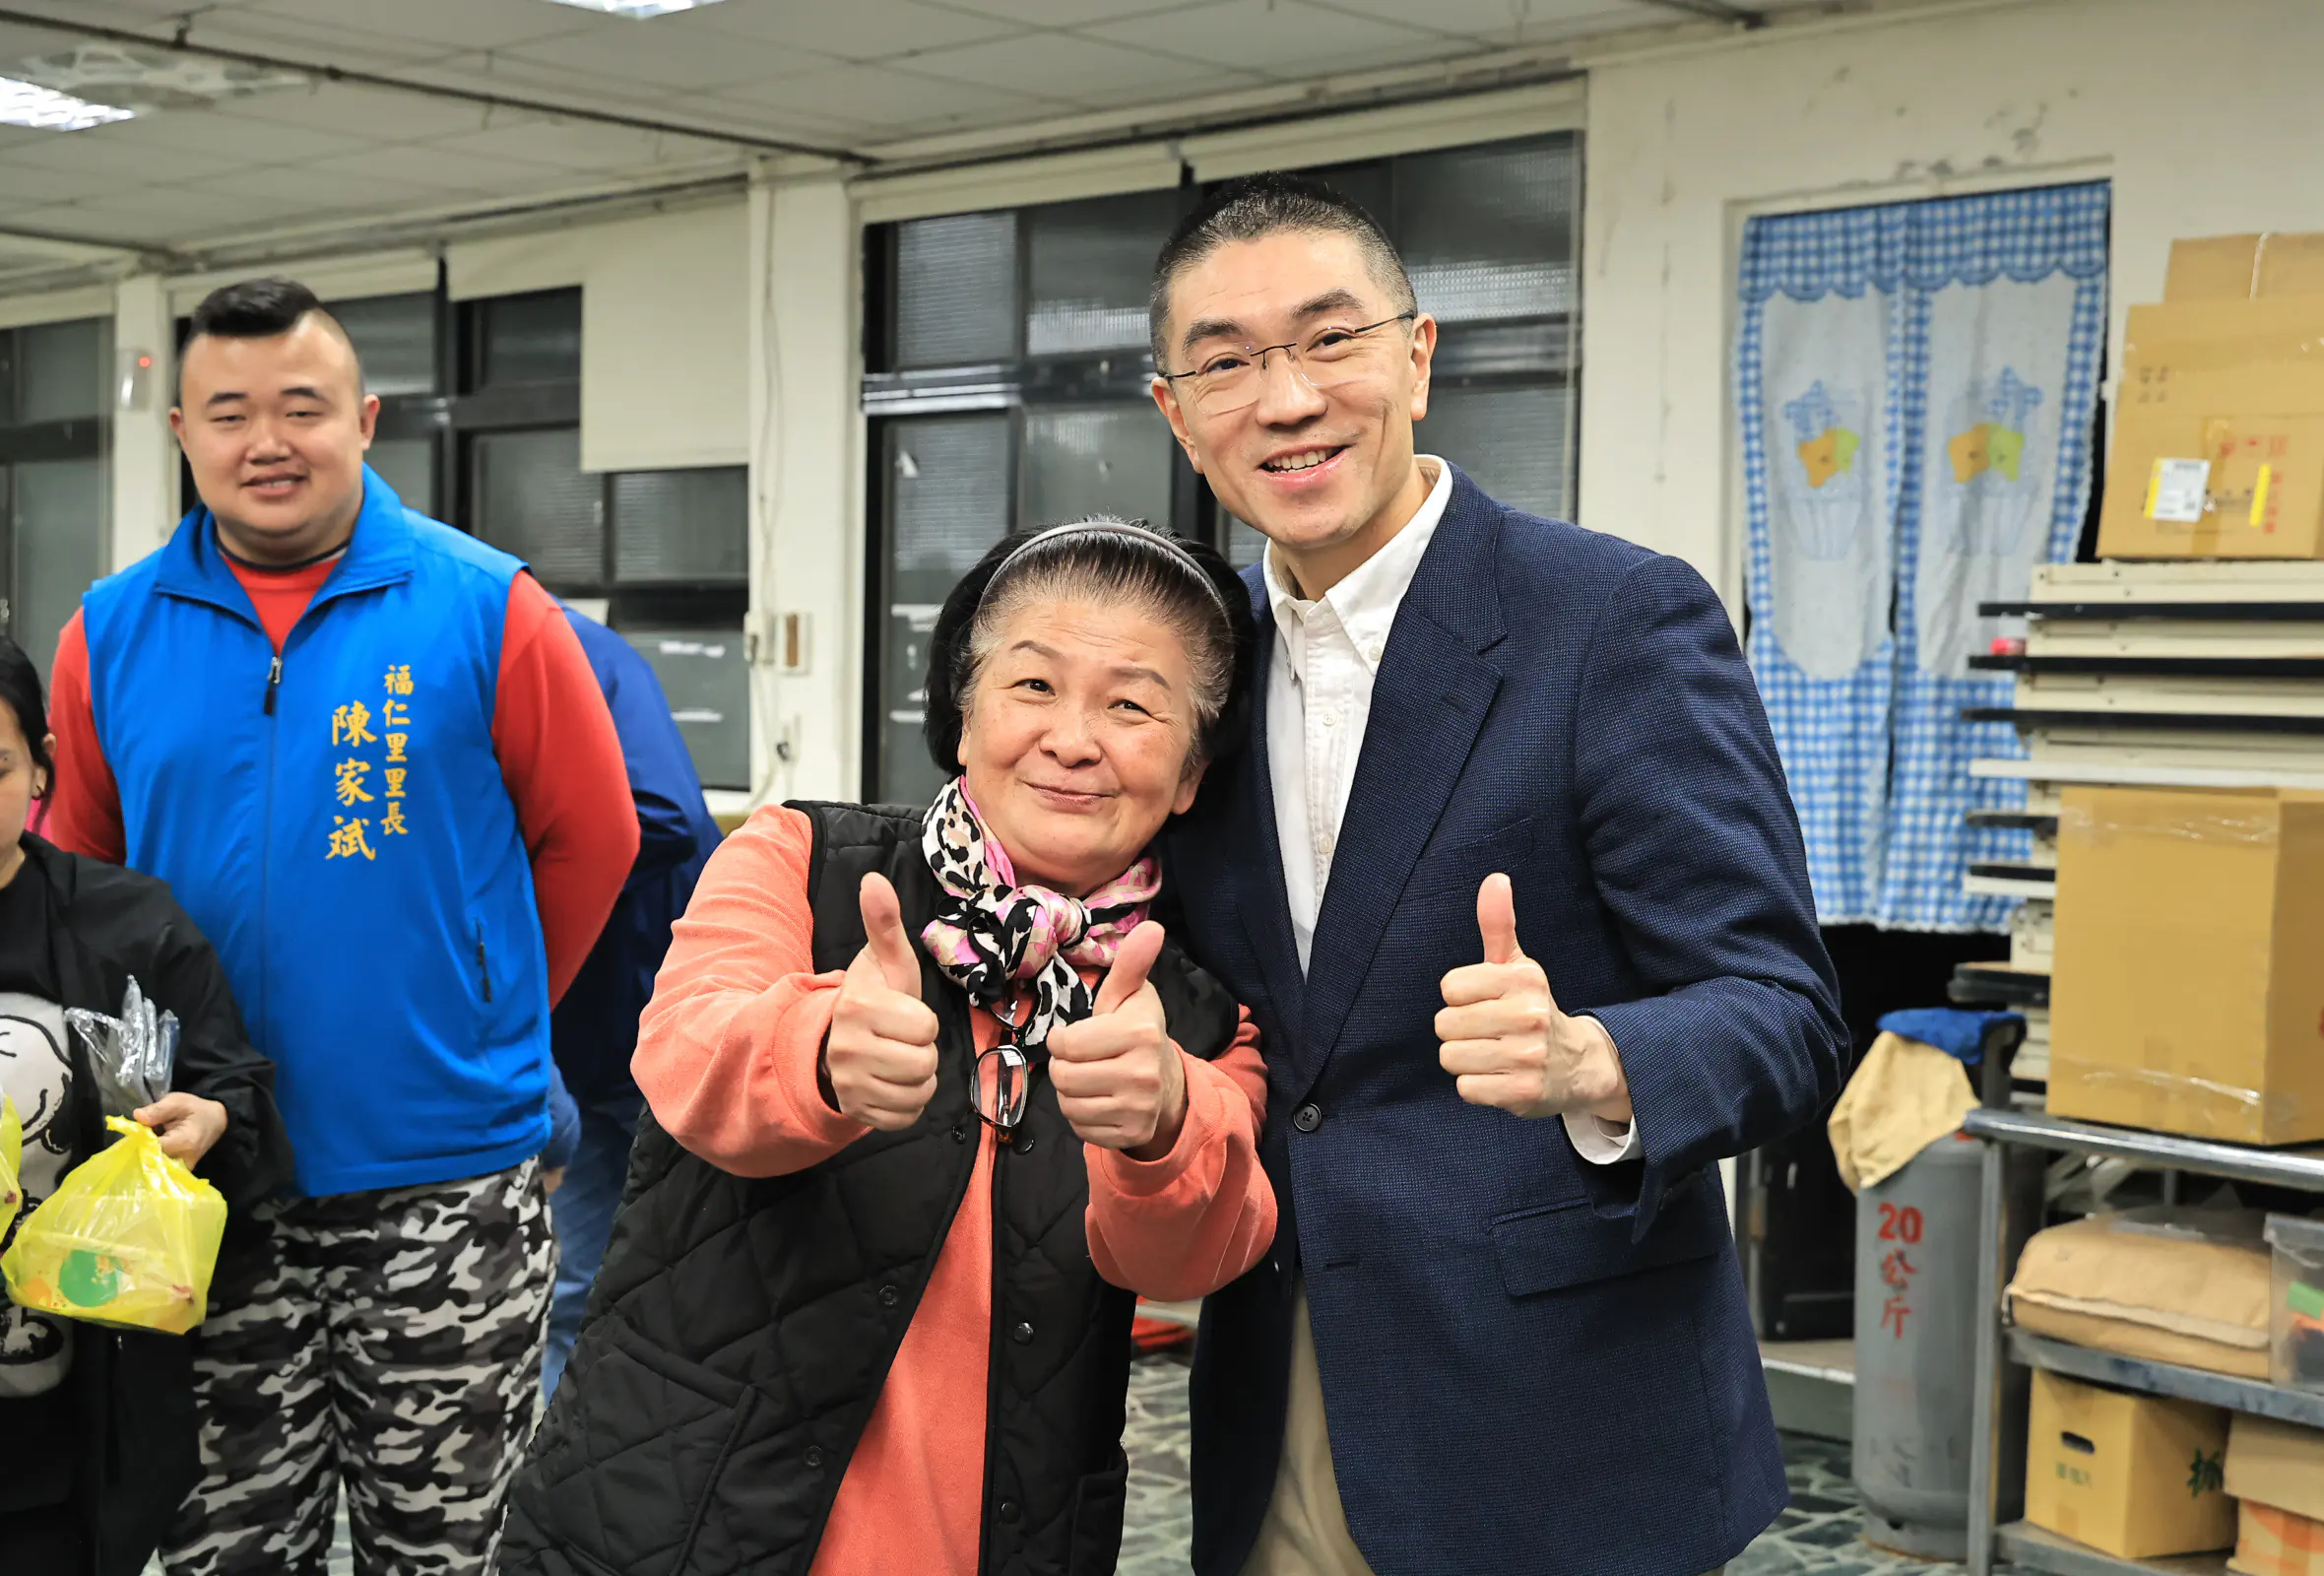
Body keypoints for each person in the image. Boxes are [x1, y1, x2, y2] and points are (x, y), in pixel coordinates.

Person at [1145, 174, 1849, 1576]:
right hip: (1279, 1386)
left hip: (1558, 1421)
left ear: (1417, 356)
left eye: (1330, 339)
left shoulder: (1609, 619)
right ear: (1177, 414)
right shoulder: (1202, 660)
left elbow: (1784, 1011)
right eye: (1226, 363)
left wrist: (1596, 1059)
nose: (1287, 399)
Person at [497, 520, 1278, 1576]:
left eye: (1133, 706)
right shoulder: (803, 859)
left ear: (1191, 773)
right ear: (963, 714)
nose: (1073, 739)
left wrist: (1162, 1129)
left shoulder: (1195, 1014)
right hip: (679, 1517)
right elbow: (686, 1051)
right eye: (1033, 685)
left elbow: (1198, 1255)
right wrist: (820, 1048)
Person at [39, 277, 639, 1576]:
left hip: (442, 1179)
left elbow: (595, 841)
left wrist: (482, 1012)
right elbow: (79, 883)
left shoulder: (487, 606)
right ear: (183, 434)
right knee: (225, 1547)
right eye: (230, 413)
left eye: (302, 407)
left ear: (365, 421)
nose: (268, 441)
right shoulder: (110, 633)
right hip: (199, 1183)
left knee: (453, 1547)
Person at [0, 613, 293, 1574]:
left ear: (42, 766)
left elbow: (237, 1095)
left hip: (63, 1443)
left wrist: (213, 1120)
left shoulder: (128, 928)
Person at [539, 605, 723, 1398]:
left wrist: (495, 867)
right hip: (568, 1035)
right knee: (575, 1288)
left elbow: (664, 815)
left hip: (665, 1017)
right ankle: (563, 1469)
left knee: (706, 1281)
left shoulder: (572, 650)